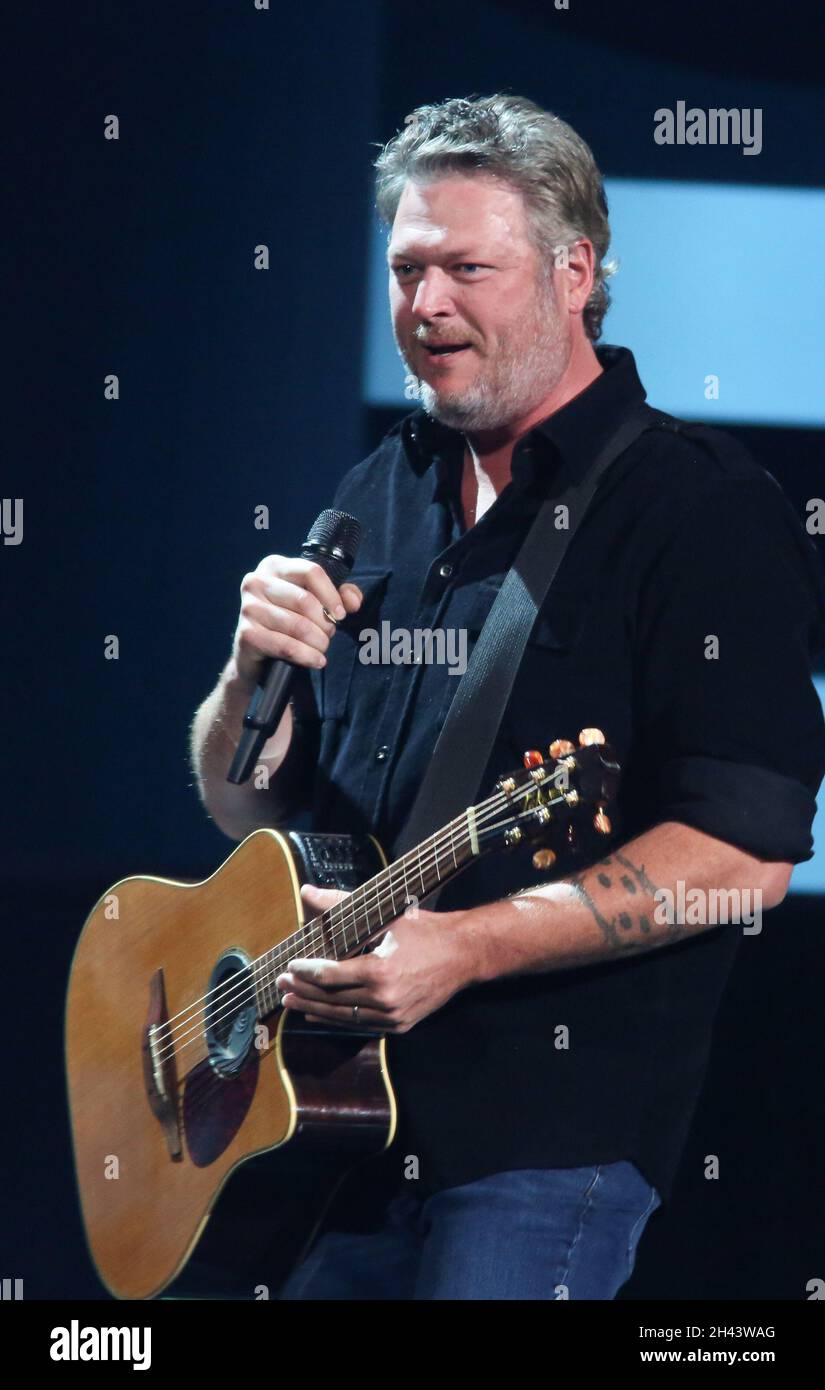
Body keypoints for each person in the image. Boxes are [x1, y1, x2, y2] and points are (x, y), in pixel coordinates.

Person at [190, 94, 825, 1299]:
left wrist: (464, 950)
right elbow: (245, 814)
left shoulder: (699, 510)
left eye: (467, 269)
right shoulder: (378, 489)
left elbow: (742, 857)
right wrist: (240, 669)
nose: (426, 308)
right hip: (326, 1122)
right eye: (407, 270)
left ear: (575, 271)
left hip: (541, 1142)